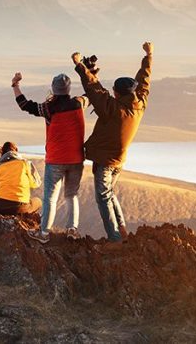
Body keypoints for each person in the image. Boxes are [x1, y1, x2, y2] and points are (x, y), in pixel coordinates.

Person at [74, 41, 153, 243]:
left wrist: (80, 66)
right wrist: (148, 56)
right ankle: (122, 229)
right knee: (109, 194)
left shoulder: (113, 109)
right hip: (120, 161)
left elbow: (94, 89)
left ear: (117, 93)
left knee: (103, 198)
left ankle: (115, 237)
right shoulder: (139, 104)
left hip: (106, 161)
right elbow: (144, 81)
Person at [12, 71, 88, 244]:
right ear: (68, 89)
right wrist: (88, 73)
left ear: (53, 89)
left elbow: (25, 105)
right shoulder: (79, 103)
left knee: (50, 198)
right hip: (76, 159)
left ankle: (44, 233)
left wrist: (15, 86)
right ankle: (72, 230)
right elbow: (89, 94)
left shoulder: (48, 108)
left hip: (55, 159)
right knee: (71, 195)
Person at [0, 141, 42, 216]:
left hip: (0, 206)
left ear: (2, 153)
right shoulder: (25, 163)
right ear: (16, 150)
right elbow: (36, 183)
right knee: (38, 202)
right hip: (19, 206)